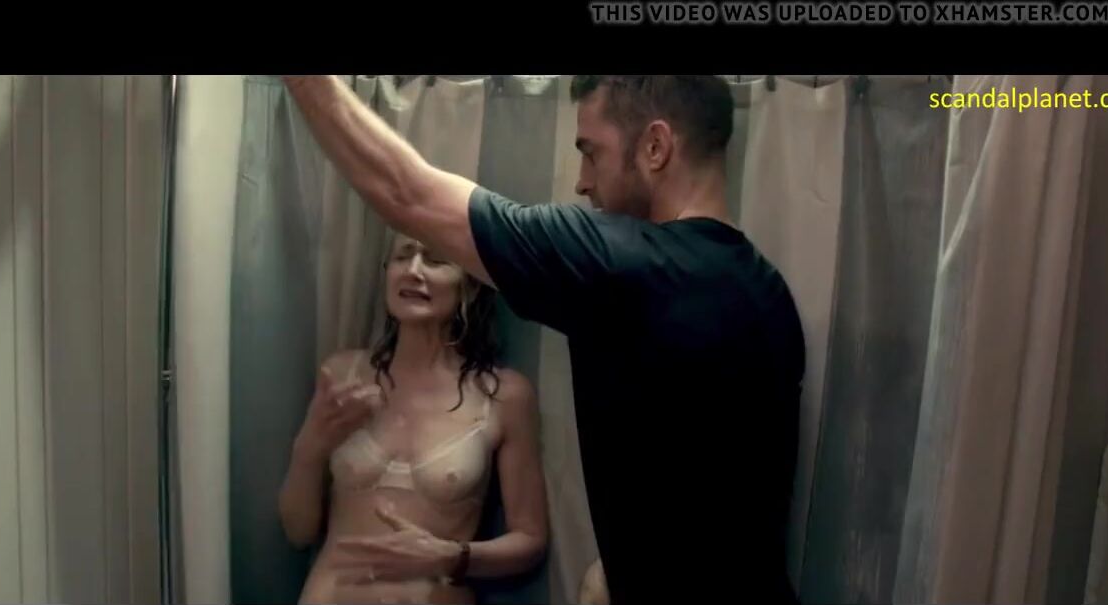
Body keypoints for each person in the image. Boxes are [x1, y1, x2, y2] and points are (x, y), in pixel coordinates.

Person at [282, 75, 806, 603]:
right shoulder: (768, 293)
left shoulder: (620, 262)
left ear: (655, 147)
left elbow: (406, 193)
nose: (582, 182)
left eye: (591, 153)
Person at [278, 232, 549, 605]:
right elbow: (298, 532)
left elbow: (530, 540)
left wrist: (452, 557)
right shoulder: (343, 376)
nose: (413, 271)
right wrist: (309, 447)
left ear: (471, 285)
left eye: (435, 260)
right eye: (403, 257)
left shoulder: (504, 395)